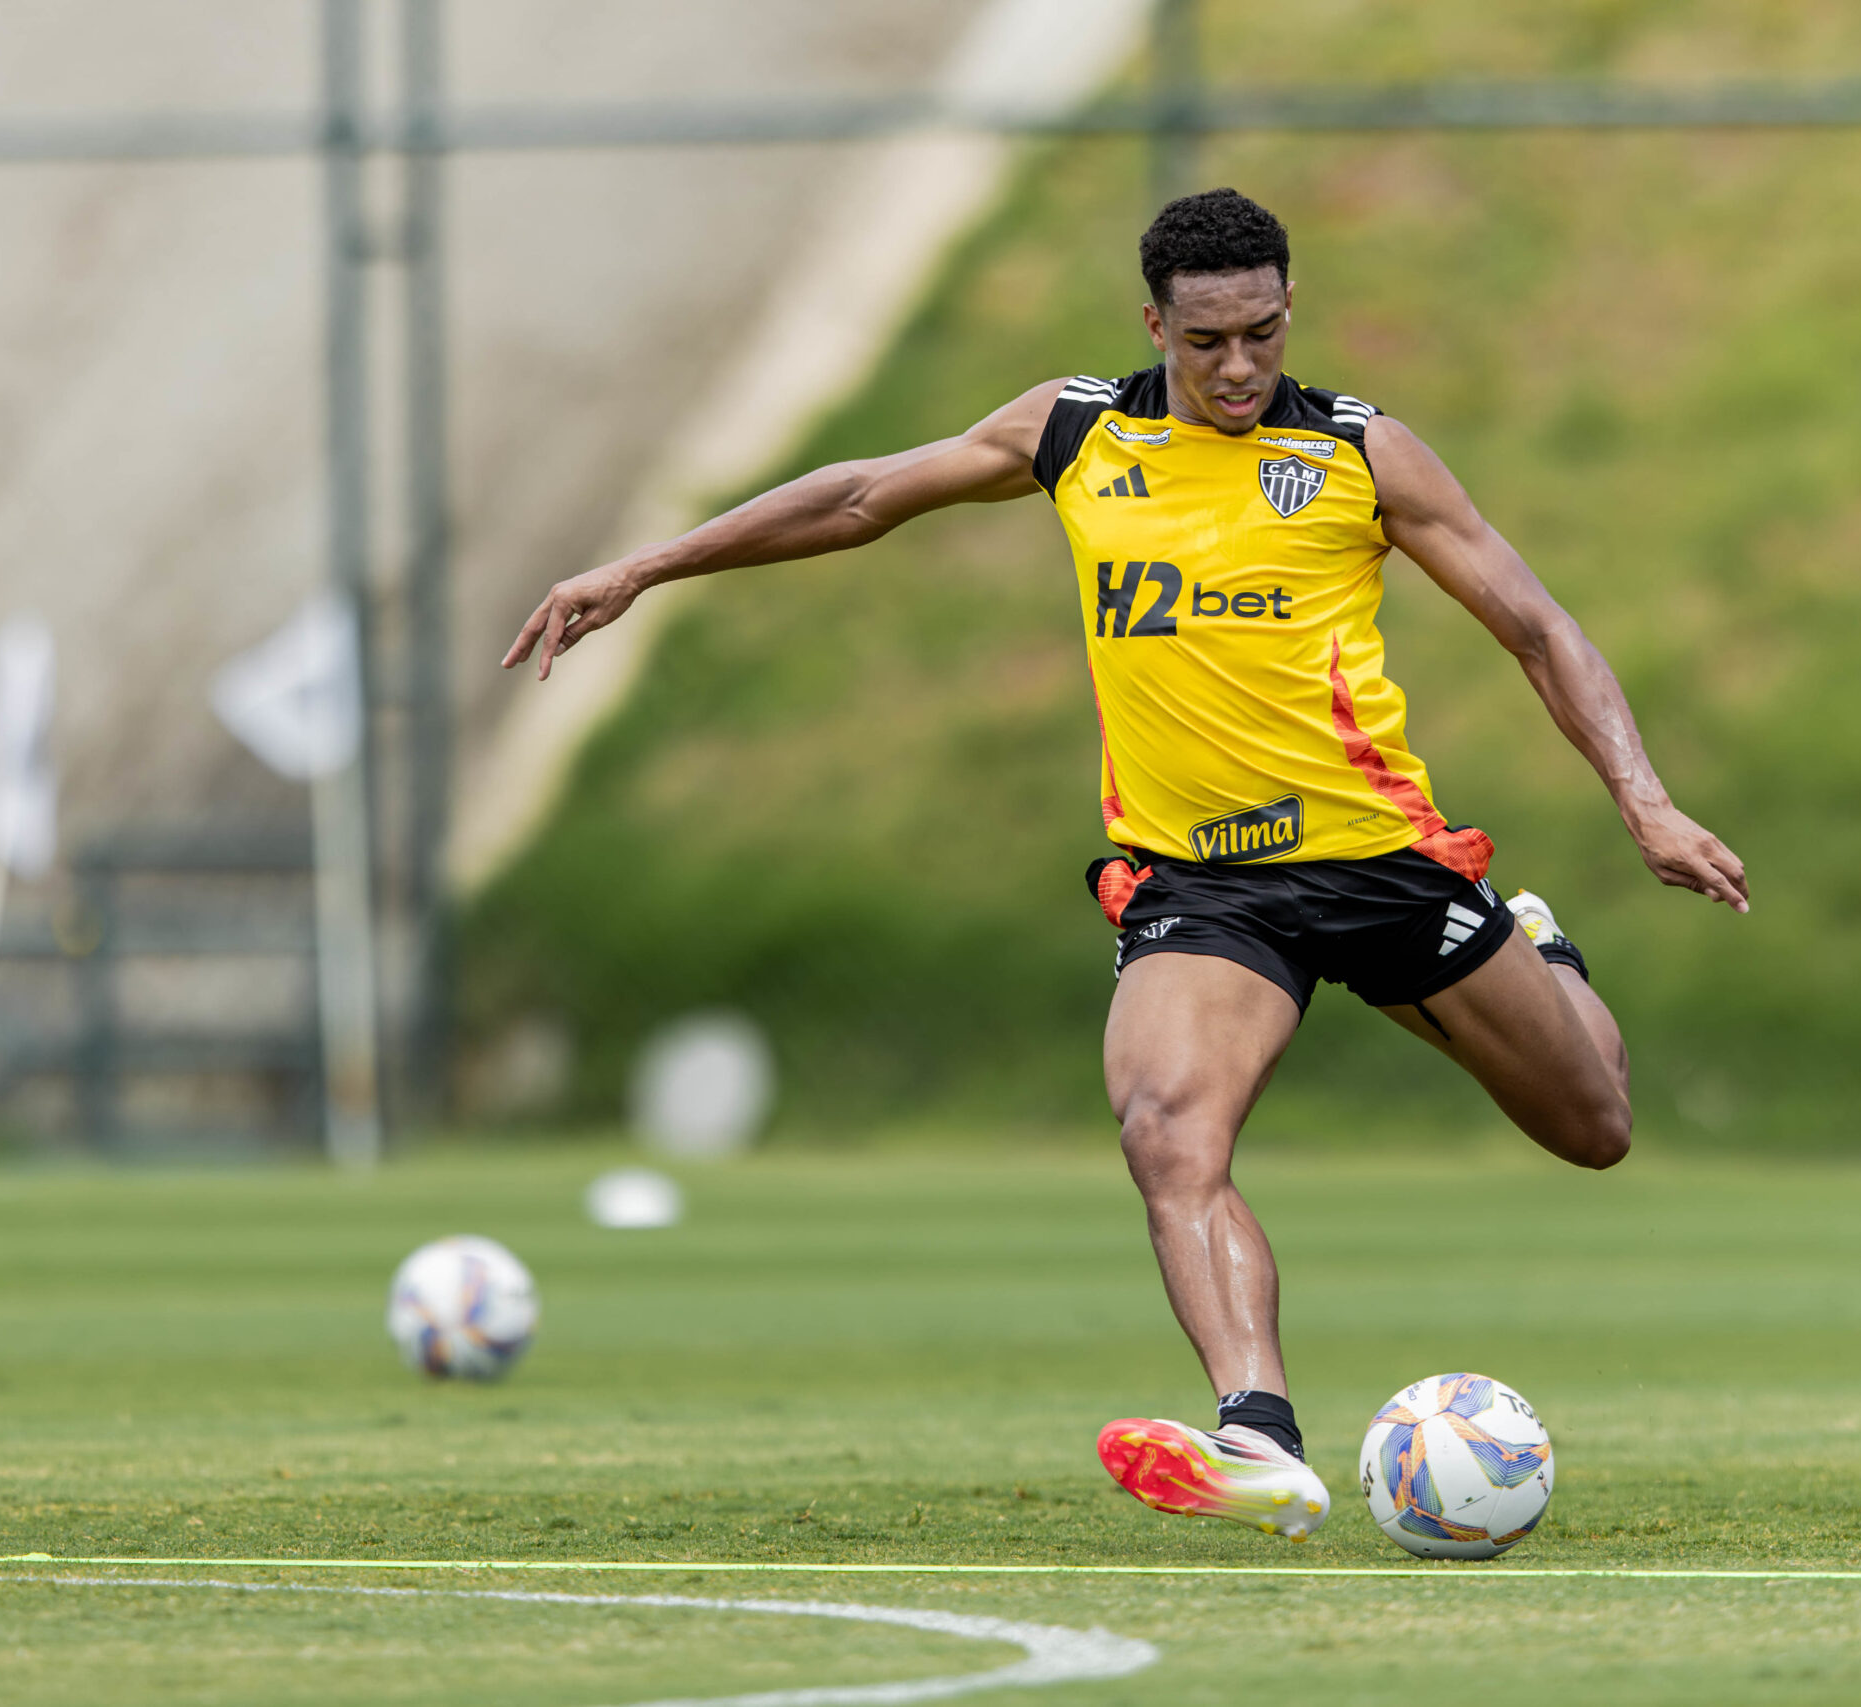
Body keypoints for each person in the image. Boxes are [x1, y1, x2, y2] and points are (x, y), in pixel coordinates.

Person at [508, 188, 1746, 1542]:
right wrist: (645, 567)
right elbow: (864, 497)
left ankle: (1541, 944)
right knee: (1168, 1129)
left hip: (1377, 860)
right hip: (1200, 889)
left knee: (1595, 1128)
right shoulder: (1078, 432)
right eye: (1206, 339)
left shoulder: (1360, 454)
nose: (1235, 368)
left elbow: (1538, 627)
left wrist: (1645, 800)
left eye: (1262, 335)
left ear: (1289, 315)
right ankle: (1258, 1433)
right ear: (1155, 322)